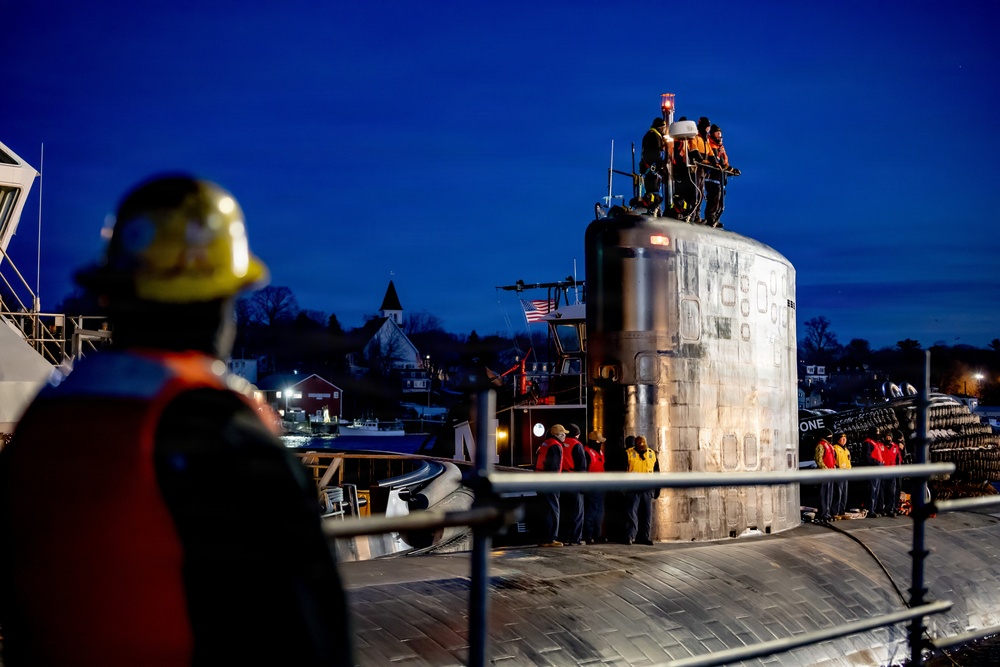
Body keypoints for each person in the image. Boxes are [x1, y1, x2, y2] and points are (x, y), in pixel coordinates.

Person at [0, 175, 352, 665]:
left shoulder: (48, 415)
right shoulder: (223, 435)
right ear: (220, 306)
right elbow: (309, 634)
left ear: (110, 296)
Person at [535, 423, 567, 547]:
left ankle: (544, 538)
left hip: (540, 480)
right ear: (558, 435)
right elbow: (553, 466)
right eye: (563, 434)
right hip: (550, 482)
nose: (564, 437)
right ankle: (550, 539)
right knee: (553, 510)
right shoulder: (556, 446)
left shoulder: (545, 444)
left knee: (544, 510)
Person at [704, 124, 740, 228]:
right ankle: (710, 217)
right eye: (718, 134)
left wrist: (731, 170)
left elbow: (725, 163)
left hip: (721, 179)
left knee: (720, 199)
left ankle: (715, 217)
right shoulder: (711, 146)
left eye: (720, 135)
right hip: (713, 178)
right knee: (714, 198)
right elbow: (716, 162)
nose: (720, 137)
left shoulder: (720, 148)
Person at [624, 435, 658, 545]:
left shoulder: (652, 454)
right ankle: (630, 536)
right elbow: (622, 471)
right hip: (633, 488)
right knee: (632, 513)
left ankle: (644, 537)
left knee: (646, 514)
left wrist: (658, 489)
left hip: (647, 489)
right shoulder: (628, 454)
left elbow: (657, 472)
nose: (642, 448)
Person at [559, 423, 588, 545]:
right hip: (574, 480)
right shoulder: (577, 445)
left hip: (561, 480)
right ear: (578, 434)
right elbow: (582, 466)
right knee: (577, 511)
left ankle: (562, 537)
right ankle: (575, 539)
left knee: (564, 510)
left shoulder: (559, 443)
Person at [582, 430, 607, 544]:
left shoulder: (599, 452)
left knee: (599, 512)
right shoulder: (586, 452)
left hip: (600, 486)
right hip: (591, 487)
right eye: (599, 441)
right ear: (595, 441)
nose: (600, 443)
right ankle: (588, 536)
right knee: (591, 512)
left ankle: (597, 535)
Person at [639, 117, 668, 213]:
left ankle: (649, 208)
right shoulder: (656, 137)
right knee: (655, 191)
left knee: (649, 190)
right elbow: (659, 154)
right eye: (663, 128)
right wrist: (663, 169)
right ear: (660, 127)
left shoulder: (647, 135)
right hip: (654, 169)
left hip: (647, 168)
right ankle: (654, 209)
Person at [814, 429, 836, 521]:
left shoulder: (830, 446)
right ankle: (823, 513)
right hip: (824, 473)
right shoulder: (821, 445)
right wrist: (825, 469)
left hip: (830, 472)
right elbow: (819, 459)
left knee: (829, 493)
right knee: (824, 493)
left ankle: (827, 512)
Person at [864, 429, 887, 517]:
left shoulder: (875, 443)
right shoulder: (868, 443)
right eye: (876, 433)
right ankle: (870, 510)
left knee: (876, 490)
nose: (878, 435)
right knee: (872, 490)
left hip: (878, 468)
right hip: (873, 468)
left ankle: (874, 508)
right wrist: (877, 462)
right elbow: (867, 457)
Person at [881, 431, 904, 516]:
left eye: (889, 437)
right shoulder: (881, 446)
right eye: (887, 437)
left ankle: (890, 509)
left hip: (892, 472)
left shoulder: (895, 447)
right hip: (883, 472)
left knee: (891, 492)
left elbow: (899, 458)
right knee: (882, 492)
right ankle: (881, 509)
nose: (888, 438)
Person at [831, 432, 852, 517]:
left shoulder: (846, 450)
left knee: (844, 494)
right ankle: (835, 512)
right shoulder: (835, 448)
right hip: (839, 472)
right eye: (842, 438)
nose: (844, 440)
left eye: (845, 438)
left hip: (845, 473)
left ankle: (841, 511)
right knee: (837, 494)